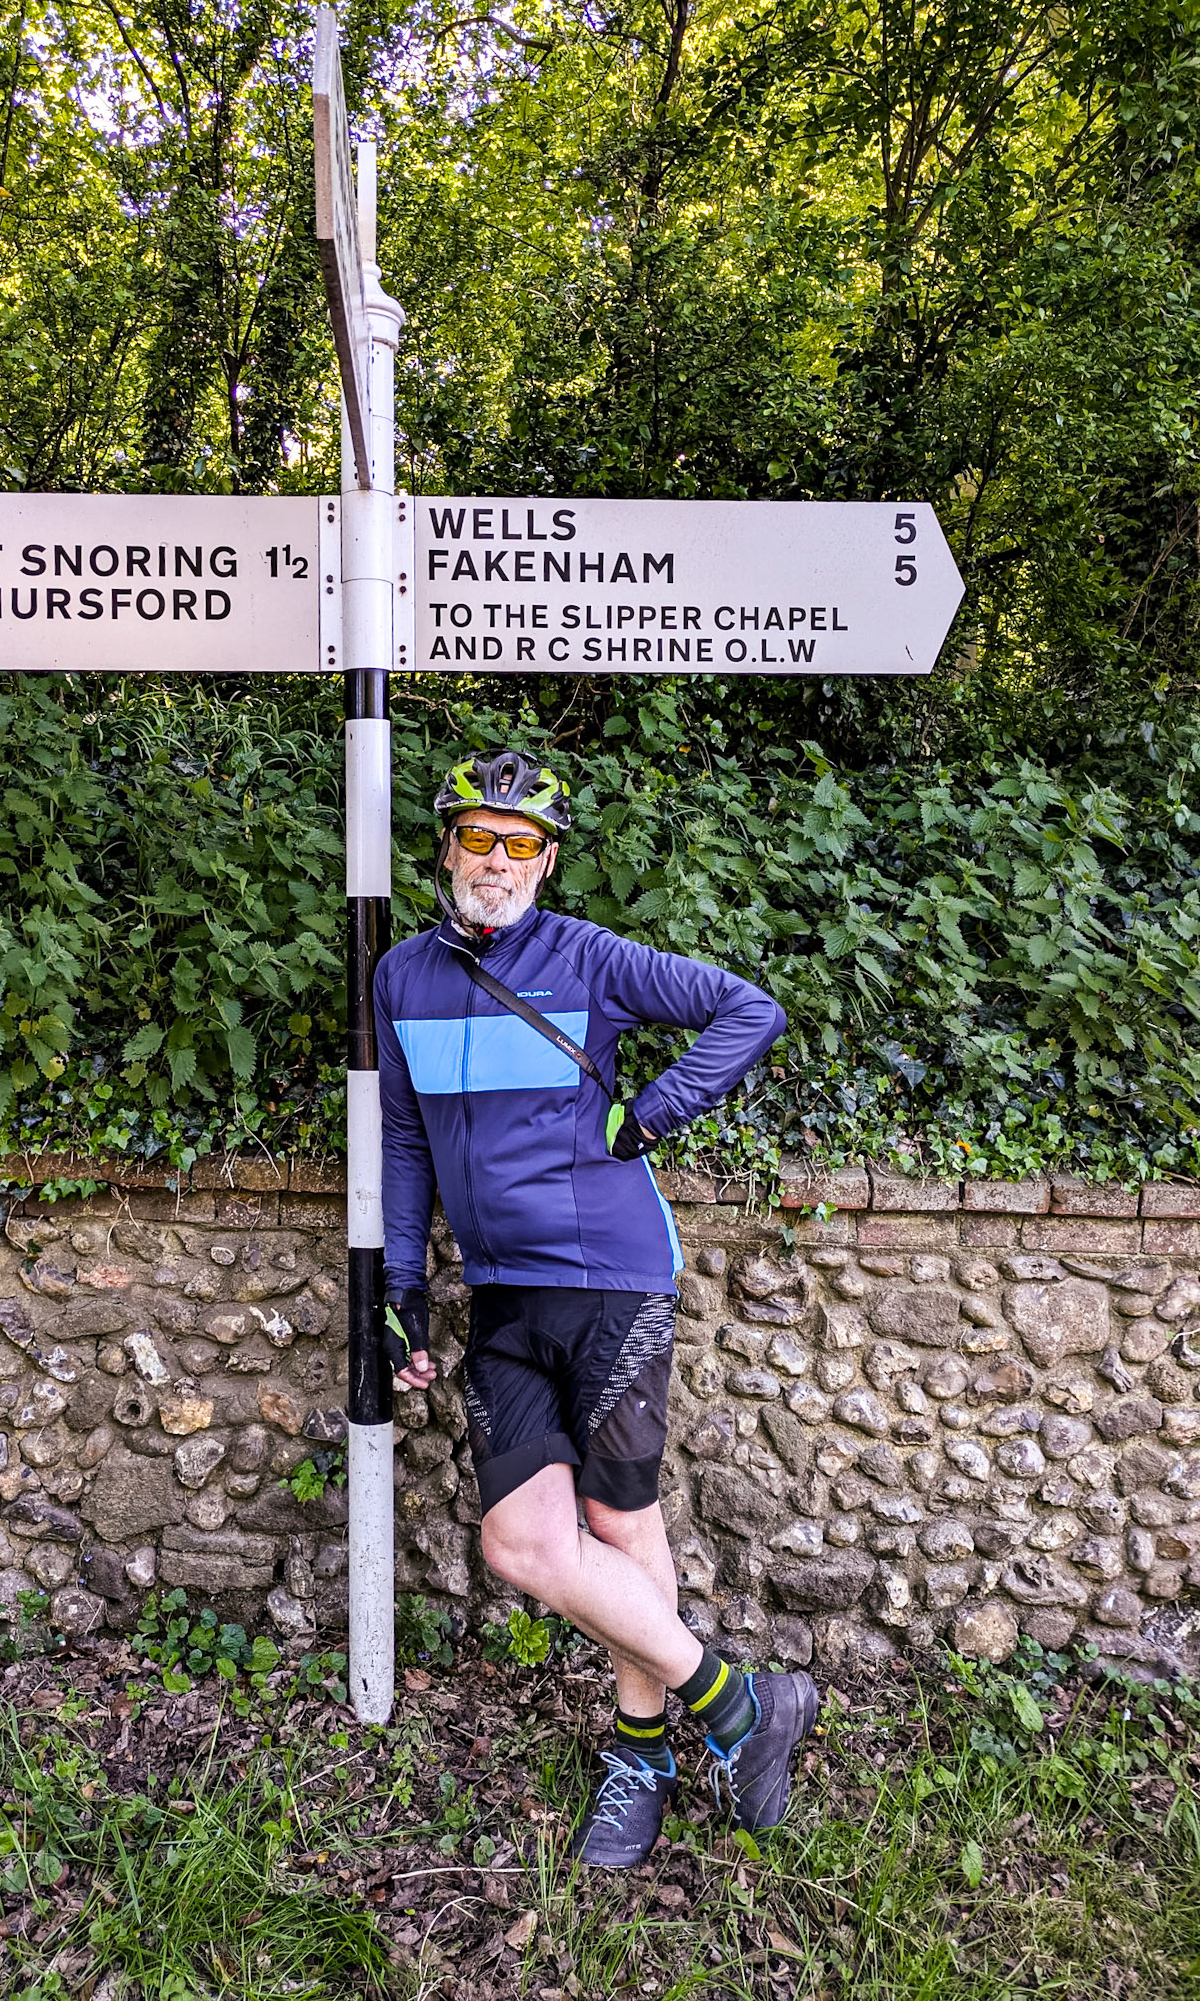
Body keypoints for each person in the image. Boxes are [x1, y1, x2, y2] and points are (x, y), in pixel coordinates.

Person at [373, 747, 819, 1869]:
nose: (498, 860)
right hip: (500, 1290)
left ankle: (641, 1756)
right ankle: (738, 1704)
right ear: (446, 844)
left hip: (613, 1276)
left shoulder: (589, 955)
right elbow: (402, 1137)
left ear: (549, 859)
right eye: (480, 835)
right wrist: (397, 1287)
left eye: (523, 842)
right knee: (523, 1540)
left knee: (619, 1526)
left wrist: (651, 1114)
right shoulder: (399, 976)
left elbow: (746, 1009)